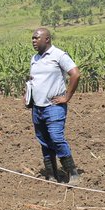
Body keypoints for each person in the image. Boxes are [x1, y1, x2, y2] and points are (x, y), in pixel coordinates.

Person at [27, 27, 81, 184]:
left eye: (36, 38)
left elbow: (75, 74)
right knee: (44, 140)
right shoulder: (34, 59)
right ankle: (51, 174)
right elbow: (33, 79)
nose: (34, 41)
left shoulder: (59, 55)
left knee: (56, 138)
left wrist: (67, 97)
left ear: (47, 39)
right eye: (32, 38)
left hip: (54, 106)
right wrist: (28, 95)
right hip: (37, 108)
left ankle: (73, 173)